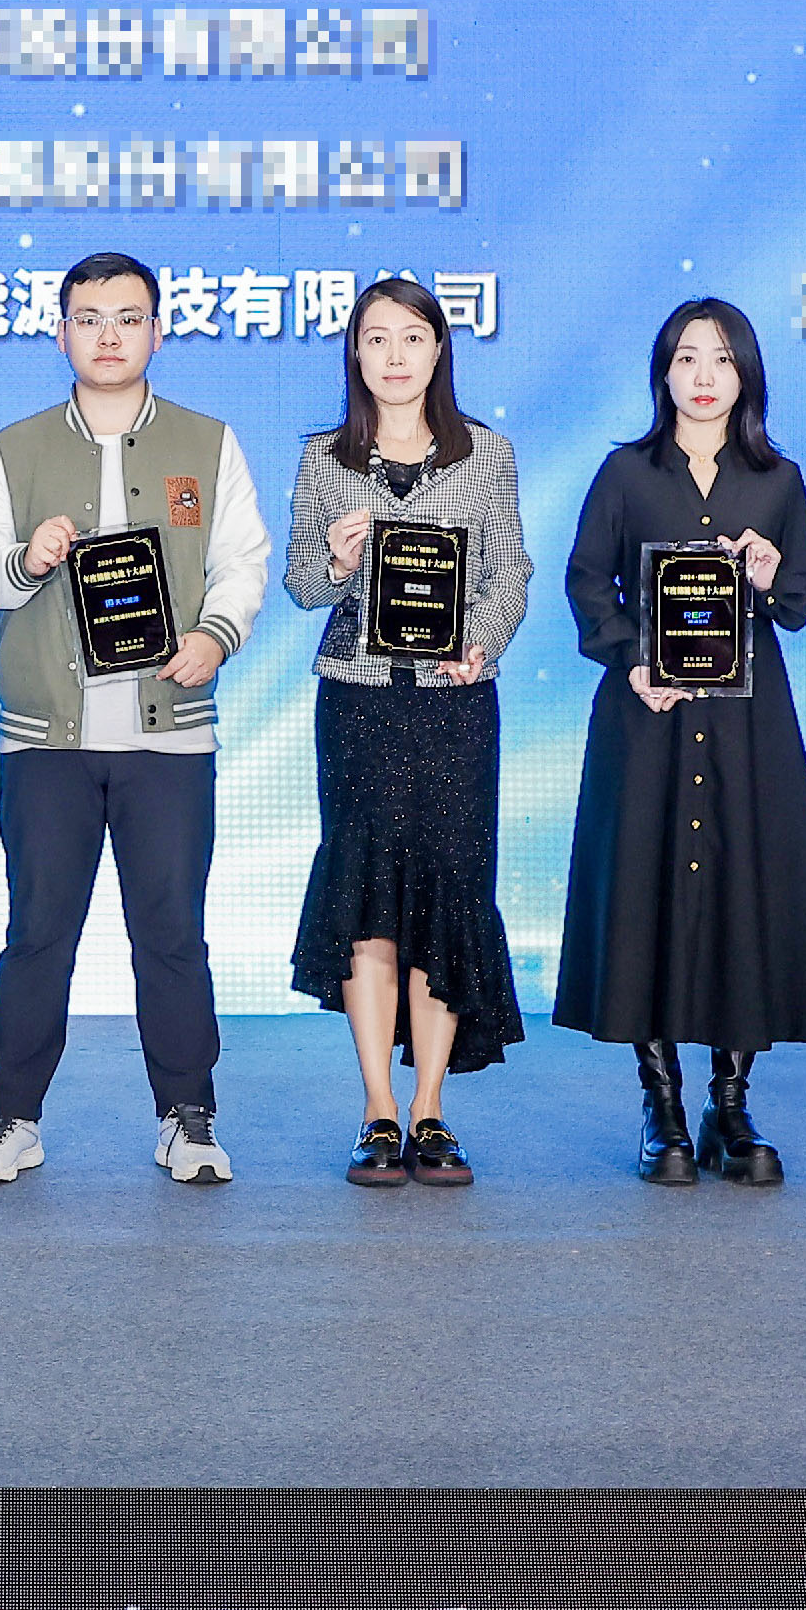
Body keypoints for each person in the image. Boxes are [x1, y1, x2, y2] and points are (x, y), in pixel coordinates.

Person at [0, 251, 270, 1185]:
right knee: (37, 931)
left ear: (157, 332)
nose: (108, 336)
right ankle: (11, 1116)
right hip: (46, 739)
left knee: (170, 931)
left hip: (169, 735)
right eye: (89, 318)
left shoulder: (208, 442)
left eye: (128, 318)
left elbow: (243, 561)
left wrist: (215, 636)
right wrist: (29, 558)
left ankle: (189, 1116)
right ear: (60, 332)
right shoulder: (15, 446)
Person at [556, 299, 806, 1185]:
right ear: (663, 371)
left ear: (746, 374)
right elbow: (587, 581)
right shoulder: (626, 471)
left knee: (742, 892)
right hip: (647, 717)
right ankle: (662, 1107)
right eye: (687, 357)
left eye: (721, 359)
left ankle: (731, 1102)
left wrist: (766, 574)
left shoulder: (777, 478)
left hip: (745, 724)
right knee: (642, 892)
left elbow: (801, 596)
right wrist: (631, 659)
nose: (703, 375)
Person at [281, 280, 532, 1186]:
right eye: (376, 337)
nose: (394, 355)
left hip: (453, 704)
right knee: (368, 902)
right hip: (358, 705)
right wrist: (337, 558)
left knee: (446, 895)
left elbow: (511, 572)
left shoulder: (486, 453)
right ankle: (378, 1110)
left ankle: (431, 1108)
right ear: (354, 351)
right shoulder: (323, 458)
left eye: (412, 337)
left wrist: (481, 641)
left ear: (438, 350)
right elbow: (301, 582)